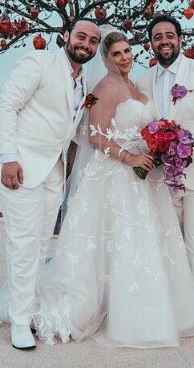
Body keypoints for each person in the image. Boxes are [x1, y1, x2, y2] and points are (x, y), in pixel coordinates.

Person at [31, 26, 194, 348]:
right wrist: (128, 157)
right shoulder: (104, 87)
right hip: (116, 174)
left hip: (145, 175)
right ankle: (123, 317)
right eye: (116, 54)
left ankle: (151, 310)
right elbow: (94, 135)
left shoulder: (135, 83)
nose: (124, 58)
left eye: (127, 51)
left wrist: (161, 142)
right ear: (105, 58)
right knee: (122, 242)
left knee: (147, 244)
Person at [0, 19, 101, 350]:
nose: (86, 44)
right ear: (66, 37)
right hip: (22, 167)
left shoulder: (84, 82)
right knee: (24, 244)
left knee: (42, 246)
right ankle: (18, 322)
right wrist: (7, 157)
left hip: (53, 172)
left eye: (93, 40)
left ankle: (25, 310)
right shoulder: (38, 62)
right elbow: (7, 105)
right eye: (81, 36)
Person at [136, 14, 194, 336]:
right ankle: (175, 307)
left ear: (179, 39)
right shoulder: (143, 79)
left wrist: (176, 147)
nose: (164, 41)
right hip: (162, 178)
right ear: (151, 43)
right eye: (158, 36)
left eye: (170, 35)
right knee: (169, 241)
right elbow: (142, 123)